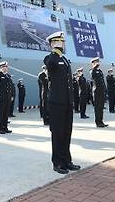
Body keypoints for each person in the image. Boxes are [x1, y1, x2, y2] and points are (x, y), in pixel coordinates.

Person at [44, 31, 80, 174]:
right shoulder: (51, 58)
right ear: (53, 44)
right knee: (57, 132)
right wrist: (54, 50)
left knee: (67, 132)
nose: (63, 44)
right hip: (56, 102)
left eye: (63, 42)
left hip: (66, 102)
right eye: (60, 42)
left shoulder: (64, 60)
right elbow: (50, 63)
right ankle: (57, 162)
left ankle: (67, 160)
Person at [0, 61, 13, 134]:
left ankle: (5, 127)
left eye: (6, 67)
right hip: (2, 97)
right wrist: (1, 72)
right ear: (0, 68)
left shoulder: (8, 76)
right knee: (1, 113)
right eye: (3, 67)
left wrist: (11, 95)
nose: (5, 68)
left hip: (8, 97)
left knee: (6, 113)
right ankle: (0, 128)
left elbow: (10, 87)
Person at [89, 58, 107, 127]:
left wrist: (105, 89)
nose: (98, 63)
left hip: (101, 91)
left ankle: (101, 121)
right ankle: (98, 122)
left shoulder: (100, 71)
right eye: (96, 62)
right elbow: (93, 75)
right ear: (93, 63)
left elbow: (102, 81)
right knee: (97, 107)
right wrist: (94, 67)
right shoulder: (92, 71)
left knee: (101, 107)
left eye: (98, 62)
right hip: (96, 91)